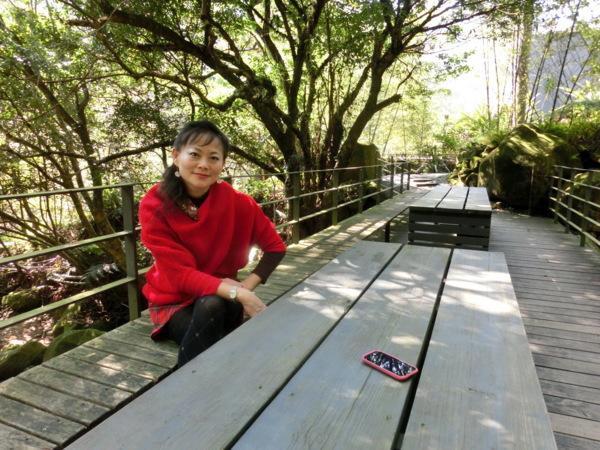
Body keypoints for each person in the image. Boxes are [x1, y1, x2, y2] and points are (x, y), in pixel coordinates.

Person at [139, 120, 286, 367]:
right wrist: (239, 293)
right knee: (213, 313)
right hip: (175, 301)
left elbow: (275, 248)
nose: (204, 164)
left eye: (214, 158)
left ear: (223, 163)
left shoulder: (239, 203)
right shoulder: (155, 204)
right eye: (194, 154)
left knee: (213, 304)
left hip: (223, 298)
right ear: (176, 156)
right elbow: (179, 274)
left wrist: (246, 287)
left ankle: (187, 382)